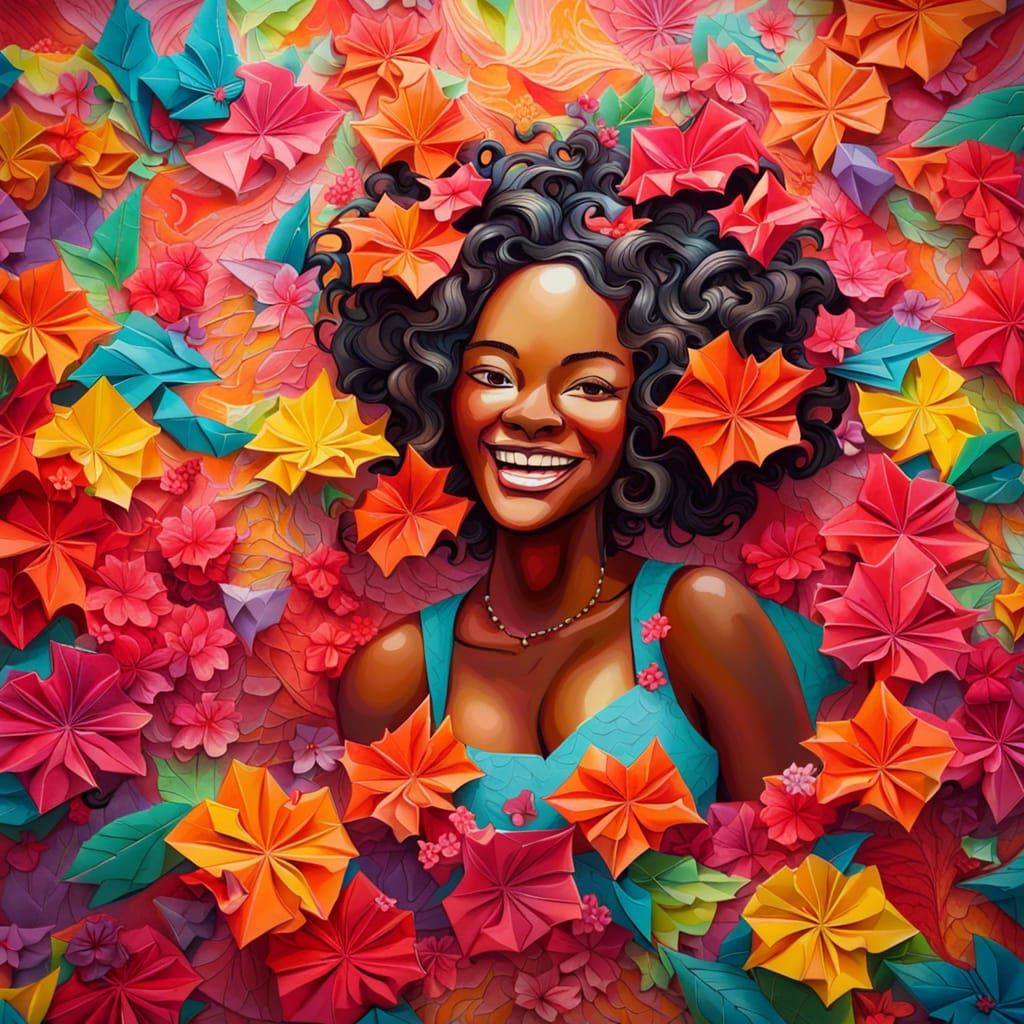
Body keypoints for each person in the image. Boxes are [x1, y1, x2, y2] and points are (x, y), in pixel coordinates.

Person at [312, 126, 850, 824]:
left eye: (590, 386)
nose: (531, 416)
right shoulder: (394, 674)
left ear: (650, 408)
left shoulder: (701, 618)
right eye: (494, 375)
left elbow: (789, 859)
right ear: (439, 389)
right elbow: (396, 881)